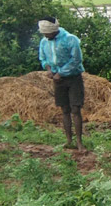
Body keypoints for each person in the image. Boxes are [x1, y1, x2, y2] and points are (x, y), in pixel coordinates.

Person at [37, 17, 87, 152]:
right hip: (57, 80)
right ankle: (69, 140)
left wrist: (61, 73)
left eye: (46, 33)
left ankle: (79, 142)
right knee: (64, 109)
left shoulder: (70, 39)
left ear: (53, 31)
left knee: (75, 109)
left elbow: (76, 59)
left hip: (73, 78)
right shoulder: (44, 42)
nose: (45, 35)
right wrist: (48, 70)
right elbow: (43, 58)